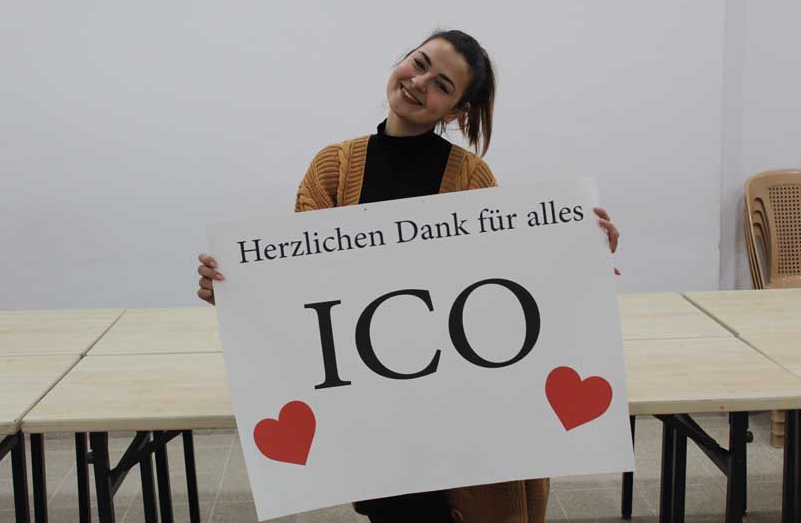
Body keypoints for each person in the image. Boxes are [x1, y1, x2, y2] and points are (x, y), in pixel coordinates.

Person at [197, 29, 621, 523]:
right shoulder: (333, 168)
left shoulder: (472, 179)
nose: (420, 82)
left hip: (458, 409)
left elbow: (504, 289)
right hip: (376, 411)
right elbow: (302, 287)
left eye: (442, 85)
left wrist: (579, 266)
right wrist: (239, 293)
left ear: (457, 112)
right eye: (419, 64)